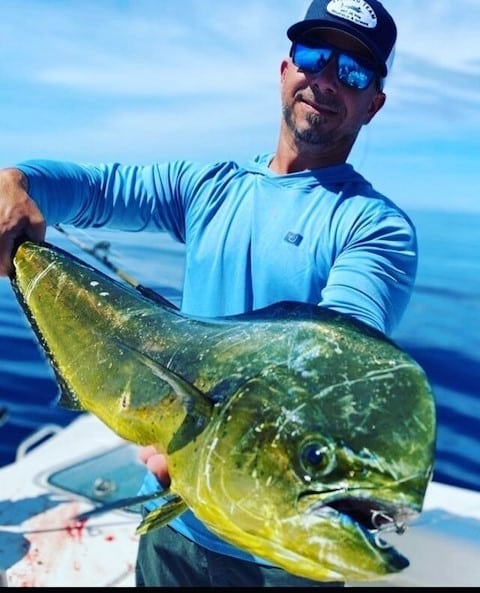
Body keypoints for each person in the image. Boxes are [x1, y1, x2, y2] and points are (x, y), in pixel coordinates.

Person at [0, 0, 415, 587]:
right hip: (170, 515)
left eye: (353, 72)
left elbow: (340, 341)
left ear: (373, 103)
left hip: (280, 549)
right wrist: (16, 183)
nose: (325, 80)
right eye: (314, 55)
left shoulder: (375, 227)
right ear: (285, 68)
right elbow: (95, 190)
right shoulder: (210, 188)